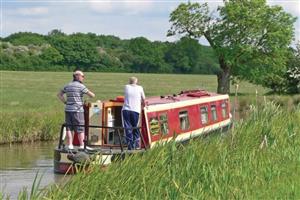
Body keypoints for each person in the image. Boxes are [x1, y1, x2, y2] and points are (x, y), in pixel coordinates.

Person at [57, 70, 95, 150]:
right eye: (82, 76)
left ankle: (70, 145)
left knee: (69, 128)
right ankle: (82, 145)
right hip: (78, 110)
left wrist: (65, 102)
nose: (83, 78)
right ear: (77, 76)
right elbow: (92, 95)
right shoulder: (81, 86)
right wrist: (86, 100)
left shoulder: (67, 85)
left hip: (68, 110)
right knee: (80, 127)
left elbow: (59, 94)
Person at [122, 77, 145, 150]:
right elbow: (143, 99)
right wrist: (143, 106)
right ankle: (136, 144)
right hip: (135, 110)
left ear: (129, 81)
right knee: (135, 127)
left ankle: (130, 145)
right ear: (136, 81)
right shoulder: (140, 88)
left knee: (128, 127)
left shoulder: (126, 87)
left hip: (126, 110)